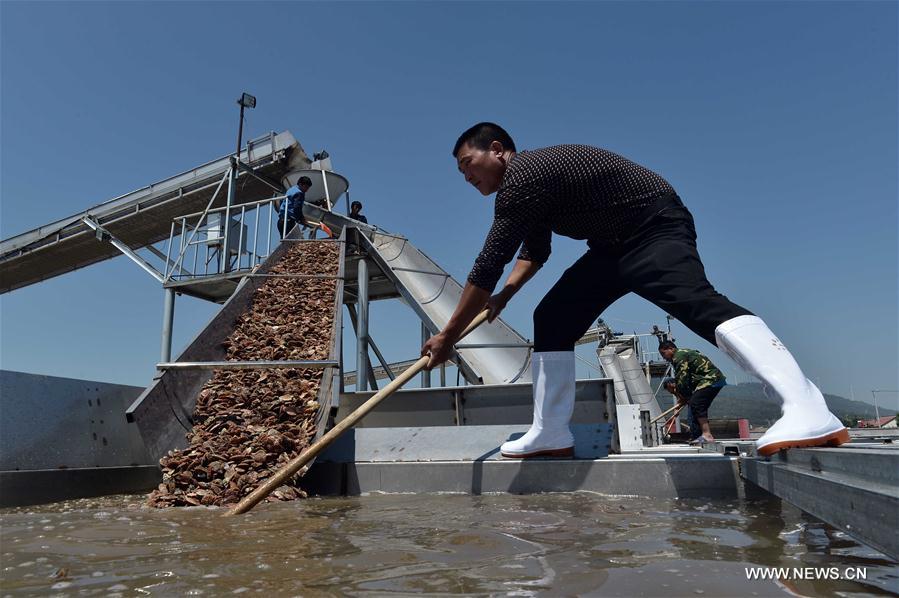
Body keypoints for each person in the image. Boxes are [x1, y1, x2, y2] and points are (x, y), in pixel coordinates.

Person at [420, 122, 848, 458]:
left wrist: (449, 335)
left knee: (697, 304)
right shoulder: (527, 194)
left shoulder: (524, 176)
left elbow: (488, 264)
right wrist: (506, 296)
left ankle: (805, 404)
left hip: (654, 226)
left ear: (497, 149)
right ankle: (550, 432)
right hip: (612, 249)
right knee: (553, 317)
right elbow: (536, 251)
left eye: (467, 163)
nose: (466, 176)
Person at [660, 343, 726, 444]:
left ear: (671, 349)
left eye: (663, 354)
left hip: (710, 379)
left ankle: (706, 435)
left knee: (696, 404)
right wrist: (684, 398)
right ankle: (700, 436)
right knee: (696, 406)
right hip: (710, 380)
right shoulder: (682, 354)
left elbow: (682, 379)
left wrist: (685, 397)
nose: (664, 357)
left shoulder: (679, 356)